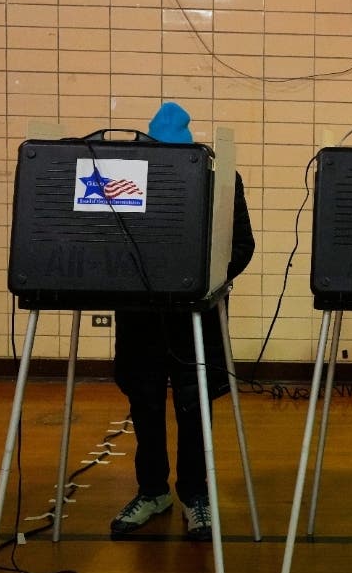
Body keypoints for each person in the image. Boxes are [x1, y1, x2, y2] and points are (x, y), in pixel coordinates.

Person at [109, 101, 255, 540]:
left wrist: (204, 281)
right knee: (146, 406)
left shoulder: (220, 180)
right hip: (140, 318)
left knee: (194, 410)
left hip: (195, 318)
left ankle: (195, 495)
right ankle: (152, 491)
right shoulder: (127, 178)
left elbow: (242, 244)